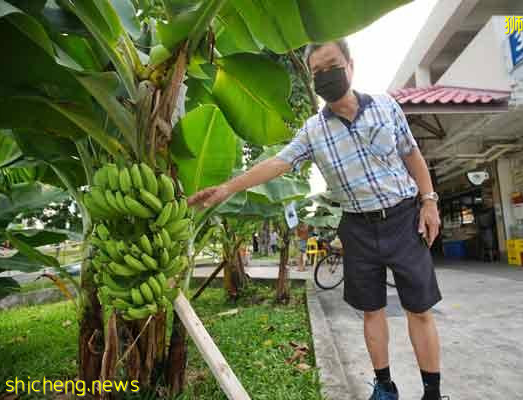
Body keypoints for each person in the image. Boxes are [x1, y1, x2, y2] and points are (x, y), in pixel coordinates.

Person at [188, 39, 444, 400]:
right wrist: (228, 188)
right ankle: (384, 386)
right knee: (372, 311)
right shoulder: (314, 130)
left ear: (350, 65)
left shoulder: (386, 105)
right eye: (318, 71)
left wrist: (429, 201)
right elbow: (278, 163)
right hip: (357, 227)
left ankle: (432, 393)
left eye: (332, 65)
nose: (327, 75)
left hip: (404, 218)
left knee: (419, 310)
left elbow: (412, 155)